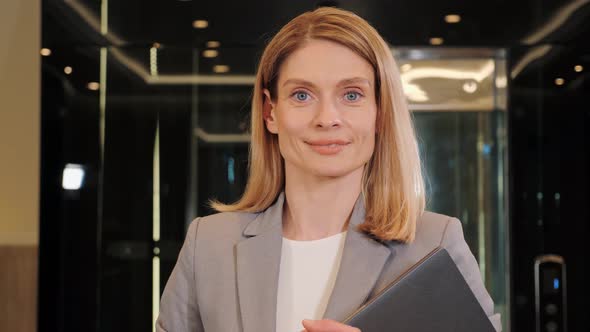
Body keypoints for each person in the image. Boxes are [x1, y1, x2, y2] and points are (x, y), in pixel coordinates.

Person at [156, 6, 501, 332]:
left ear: (380, 112)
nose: (327, 119)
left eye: (351, 95)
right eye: (302, 95)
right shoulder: (209, 244)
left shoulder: (434, 242)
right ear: (270, 112)